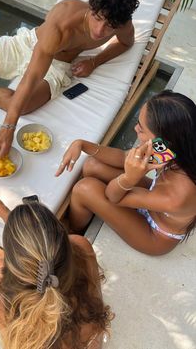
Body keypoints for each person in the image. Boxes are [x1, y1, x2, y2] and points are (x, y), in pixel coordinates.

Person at [0, 0, 140, 157]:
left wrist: (94, 62)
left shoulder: (123, 23)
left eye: (110, 26)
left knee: (23, 105)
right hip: (30, 44)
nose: (100, 30)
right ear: (92, 6)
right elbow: (32, 76)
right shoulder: (63, 21)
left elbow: (126, 42)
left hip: (59, 66)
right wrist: (8, 127)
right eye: (98, 18)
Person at [56, 90, 196, 256]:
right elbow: (123, 156)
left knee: (84, 189)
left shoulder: (177, 196)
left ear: (163, 141)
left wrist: (129, 178)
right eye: (138, 122)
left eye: (142, 129)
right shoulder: (171, 148)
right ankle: (86, 209)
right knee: (92, 165)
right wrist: (82, 144)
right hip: (154, 198)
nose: (135, 128)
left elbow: (113, 197)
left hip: (155, 234)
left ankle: (75, 230)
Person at [0, 191, 113, 349]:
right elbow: (95, 297)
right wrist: (1, 209)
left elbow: (9, 340)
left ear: (11, 264)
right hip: (87, 341)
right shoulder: (81, 247)